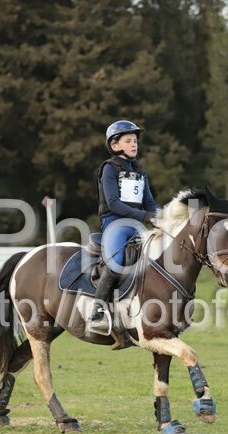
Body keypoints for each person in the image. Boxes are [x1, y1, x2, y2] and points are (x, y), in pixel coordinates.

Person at [88, 120, 158, 332]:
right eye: (128, 141)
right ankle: (97, 312)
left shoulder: (140, 172)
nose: (134, 144)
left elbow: (150, 202)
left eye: (135, 141)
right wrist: (145, 216)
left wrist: (161, 218)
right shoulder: (109, 169)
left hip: (137, 225)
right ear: (115, 145)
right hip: (115, 224)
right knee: (116, 261)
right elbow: (114, 204)